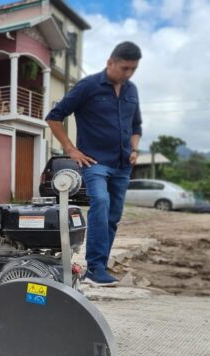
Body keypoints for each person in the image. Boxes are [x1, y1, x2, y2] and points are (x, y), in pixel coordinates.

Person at [46, 41, 142, 286]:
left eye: (133, 69)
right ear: (111, 62)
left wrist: (134, 149)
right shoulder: (88, 86)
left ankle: (100, 267)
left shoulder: (132, 90)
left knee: (113, 216)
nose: (128, 74)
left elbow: (136, 126)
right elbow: (55, 117)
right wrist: (71, 149)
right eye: (124, 68)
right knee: (100, 202)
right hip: (95, 162)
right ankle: (95, 269)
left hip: (122, 164)